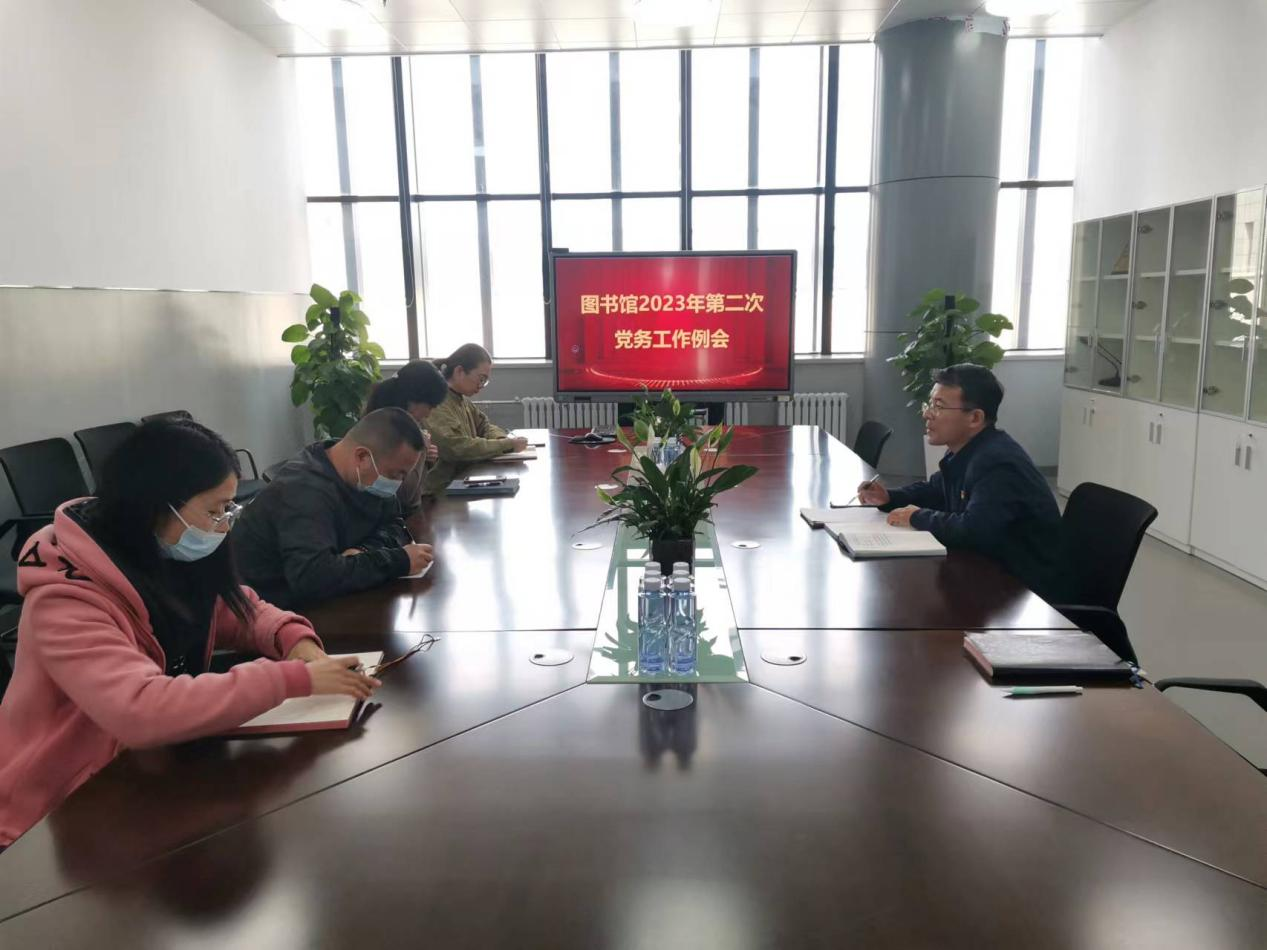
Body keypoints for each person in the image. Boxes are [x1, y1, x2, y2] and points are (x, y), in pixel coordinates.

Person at [0, 419, 379, 847]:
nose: (223, 525)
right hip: (55, 810)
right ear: (155, 505)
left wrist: (296, 642)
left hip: (142, 770)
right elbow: (139, 710)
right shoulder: (65, 599)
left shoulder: (157, 552)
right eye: (215, 511)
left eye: (228, 510)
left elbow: (238, 609)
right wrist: (292, 679)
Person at [856, 363, 1066, 601]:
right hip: (989, 574)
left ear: (975, 418)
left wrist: (916, 516)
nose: (927, 414)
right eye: (930, 404)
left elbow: (974, 530)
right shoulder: (966, 450)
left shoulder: (997, 462)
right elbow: (935, 489)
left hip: (1025, 593)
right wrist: (890, 497)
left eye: (939, 406)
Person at [233, 408, 434, 609]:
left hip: (334, 600)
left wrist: (363, 551)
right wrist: (399, 561)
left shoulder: (363, 474)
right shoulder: (304, 491)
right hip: (270, 610)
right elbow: (314, 578)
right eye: (396, 474)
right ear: (362, 457)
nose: (399, 482)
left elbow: (395, 525)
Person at [421, 343, 528, 495]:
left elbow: (485, 426)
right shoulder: (437, 402)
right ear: (459, 371)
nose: (481, 385)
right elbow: (456, 447)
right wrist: (507, 445)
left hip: (462, 483)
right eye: (481, 379)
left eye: (485, 381)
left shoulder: (462, 400)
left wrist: (501, 438)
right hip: (440, 491)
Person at [364, 360, 448, 517]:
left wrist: (427, 460)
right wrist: (420, 450)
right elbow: (406, 496)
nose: (429, 414)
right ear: (412, 401)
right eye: (430, 406)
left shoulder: (398, 422)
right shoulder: (384, 430)